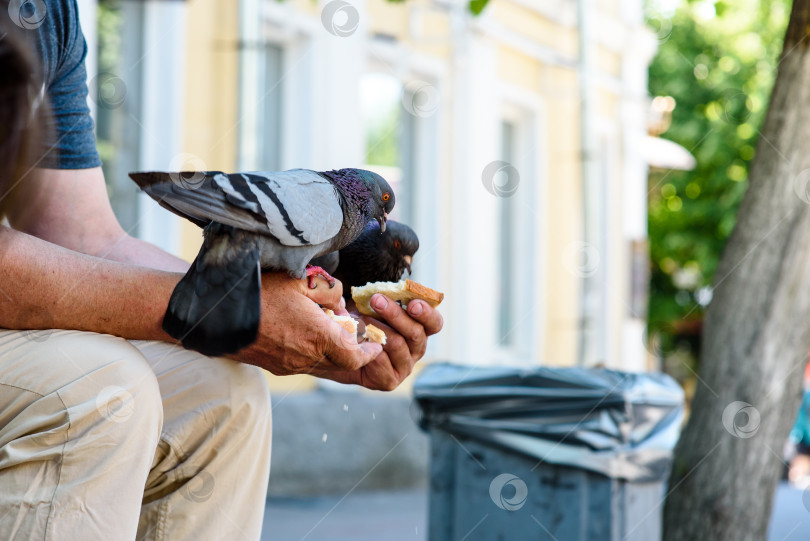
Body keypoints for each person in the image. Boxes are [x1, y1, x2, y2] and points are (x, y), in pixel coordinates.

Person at [0, 1, 443, 539]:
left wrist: (321, 334)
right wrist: (216, 314)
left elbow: (86, 236)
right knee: (102, 385)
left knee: (223, 392)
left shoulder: (52, 15)